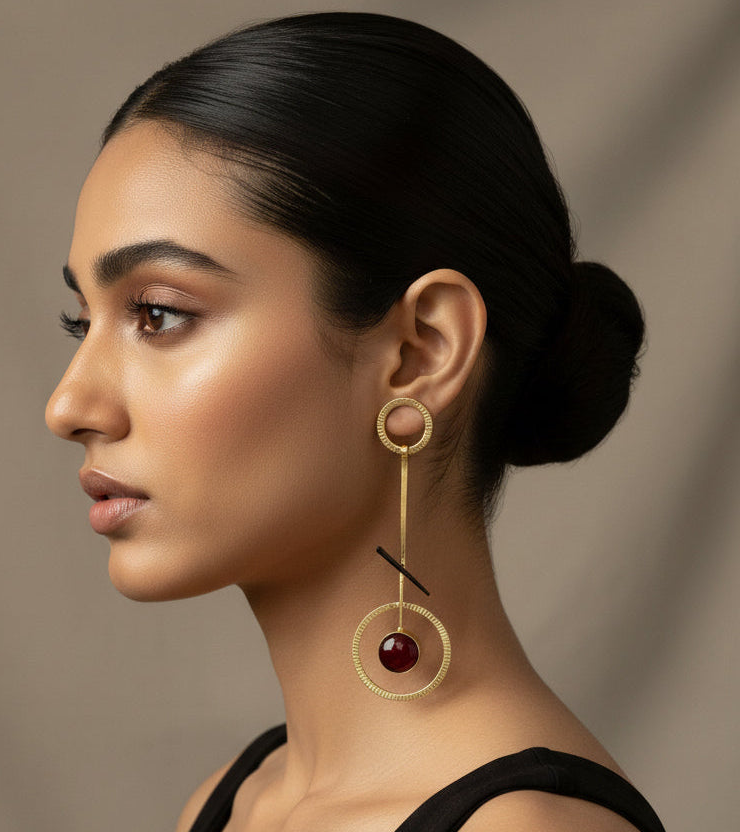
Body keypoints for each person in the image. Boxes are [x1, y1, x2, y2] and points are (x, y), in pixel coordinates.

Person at [45, 12, 664, 832]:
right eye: (80, 322)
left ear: (421, 352)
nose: (68, 406)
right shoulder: (231, 802)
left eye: (158, 313)